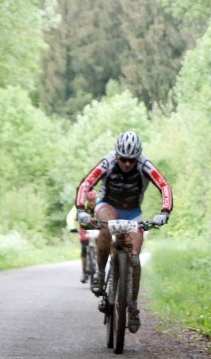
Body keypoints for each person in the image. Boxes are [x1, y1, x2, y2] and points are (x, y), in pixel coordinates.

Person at [74, 130, 172, 333]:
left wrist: (165, 212)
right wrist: (81, 209)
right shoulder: (107, 162)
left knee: (134, 259)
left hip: (133, 213)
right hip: (108, 205)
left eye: (131, 160)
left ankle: (133, 307)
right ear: (117, 154)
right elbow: (86, 183)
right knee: (106, 226)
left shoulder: (144, 164)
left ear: (137, 157)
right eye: (123, 159)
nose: (127, 164)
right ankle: (100, 273)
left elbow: (163, 185)